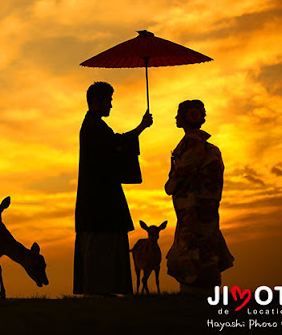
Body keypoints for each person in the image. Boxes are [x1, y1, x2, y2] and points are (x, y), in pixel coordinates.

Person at [74, 81, 152, 295]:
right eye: (108, 100)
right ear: (96, 101)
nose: (111, 105)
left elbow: (115, 144)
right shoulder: (93, 126)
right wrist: (141, 127)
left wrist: (138, 130)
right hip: (100, 201)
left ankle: (103, 289)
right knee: (101, 245)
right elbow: (115, 144)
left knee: (103, 244)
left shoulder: (94, 125)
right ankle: (101, 289)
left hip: (99, 198)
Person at [165, 100, 234, 294]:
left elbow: (181, 176)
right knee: (207, 242)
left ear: (182, 119)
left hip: (193, 208)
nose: (176, 118)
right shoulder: (209, 147)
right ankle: (206, 289)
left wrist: (171, 183)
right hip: (207, 207)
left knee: (192, 245)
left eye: (179, 114)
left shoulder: (192, 144)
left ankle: (194, 289)